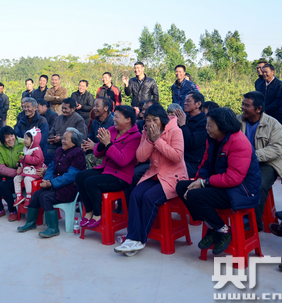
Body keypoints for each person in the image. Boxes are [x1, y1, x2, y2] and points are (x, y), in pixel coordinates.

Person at [176, 108, 261, 256]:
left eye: (210, 125)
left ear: (222, 125)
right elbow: (205, 163)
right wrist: (200, 179)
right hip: (223, 185)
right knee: (182, 187)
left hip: (242, 190)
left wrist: (204, 183)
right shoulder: (213, 139)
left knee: (194, 195)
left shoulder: (238, 142)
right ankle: (213, 226)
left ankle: (224, 230)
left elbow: (233, 178)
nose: (206, 128)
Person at [114, 104, 187, 256]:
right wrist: (150, 140)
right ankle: (132, 237)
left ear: (162, 119)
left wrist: (158, 140)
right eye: (148, 120)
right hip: (154, 174)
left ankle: (140, 239)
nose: (151, 123)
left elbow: (177, 156)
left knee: (148, 197)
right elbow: (140, 157)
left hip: (173, 178)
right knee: (135, 194)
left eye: (155, 119)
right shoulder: (146, 133)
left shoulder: (175, 131)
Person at [76, 105, 141, 228]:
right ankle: (89, 210)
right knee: (80, 176)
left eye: (117, 117)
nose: (114, 119)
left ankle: (97, 214)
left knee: (91, 182)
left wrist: (108, 144)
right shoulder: (112, 130)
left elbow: (122, 160)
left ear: (128, 120)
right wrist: (101, 143)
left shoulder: (135, 137)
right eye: (114, 116)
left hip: (120, 176)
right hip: (106, 170)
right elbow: (97, 154)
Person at [17, 128, 86, 238]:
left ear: (74, 142)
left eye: (65, 139)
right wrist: (47, 180)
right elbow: (51, 167)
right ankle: (31, 223)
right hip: (55, 184)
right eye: (62, 138)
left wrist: (52, 183)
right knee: (36, 194)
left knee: (45, 197)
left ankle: (53, 228)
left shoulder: (78, 153)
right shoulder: (59, 150)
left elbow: (71, 176)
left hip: (69, 188)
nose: (62, 141)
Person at [239, 91, 282, 231]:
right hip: (242, 162)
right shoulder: (237, 121)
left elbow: (276, 148)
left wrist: (252, 155)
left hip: (266, 164)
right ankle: (237, 218)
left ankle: (253, 223)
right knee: (229, 182)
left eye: (247, 105)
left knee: (258, 185)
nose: (243, 108)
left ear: (258, 109)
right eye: (243, 104)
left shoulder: (273, 124)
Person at [0, 126, 26, 221]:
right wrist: (15, 172)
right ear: (2, 139)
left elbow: (30, 159)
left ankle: (12, 210)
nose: (10, 139)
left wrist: (21, 170)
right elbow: (0, 167)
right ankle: (0, 210)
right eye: (6, 137)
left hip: (20, 177)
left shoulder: (23, 143)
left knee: (3, 186)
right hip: (7, 174)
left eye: (12, 135)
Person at [174, 91, 208, 179]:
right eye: (185, 100)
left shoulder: (204, 123)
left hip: (193, 163)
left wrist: (183, 126)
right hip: (179, 159)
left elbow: (191, 143)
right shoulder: (185, 118)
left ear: (198, 104)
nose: (185, 103)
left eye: (188, 101)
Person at [46, 98, 87, 163]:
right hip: (56, 147)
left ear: (73, 109)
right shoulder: (58, 118)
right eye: (62, 108)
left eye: (65, 109)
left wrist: (60, 138)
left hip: (71, 150)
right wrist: (52, 138)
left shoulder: (79, 120)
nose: (63, 110)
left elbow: (81, 137)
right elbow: (51, 132)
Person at [14, 127, 45, 207]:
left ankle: (28, 197)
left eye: (27, 139)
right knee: (16, 178)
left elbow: (36, 160)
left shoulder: (37, 150)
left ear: (34, 140)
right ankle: (19, 196)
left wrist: (25, 158)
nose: (25, 140)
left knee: (27, 179)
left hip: (35, 172)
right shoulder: (25, 148)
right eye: (25, 138)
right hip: (26, 171)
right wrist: (19, 162)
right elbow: (23, 158)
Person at [81, 98, 114, 168]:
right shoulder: (95, 122)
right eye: (94, 106)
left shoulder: (113, 123)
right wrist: (85, 144)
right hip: (94, 151)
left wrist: (95, 146)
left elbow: (112, 144)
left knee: (85, 160)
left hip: (106, 155)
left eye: (97, 106)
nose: (94, 108)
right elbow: (90, 136)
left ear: (106, 108)